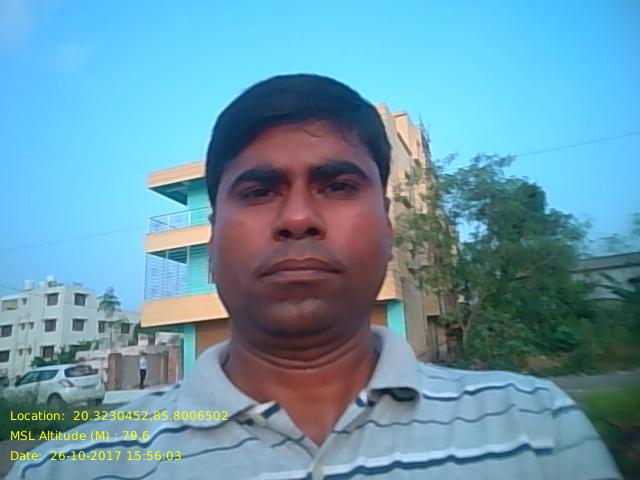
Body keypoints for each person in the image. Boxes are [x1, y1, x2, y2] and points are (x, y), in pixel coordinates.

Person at [7, 74, 621, 479]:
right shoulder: (72, 465)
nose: (298, 217)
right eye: (259, 190)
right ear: (212, 241)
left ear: (388, 226)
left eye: (337, 185)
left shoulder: (536, 428)